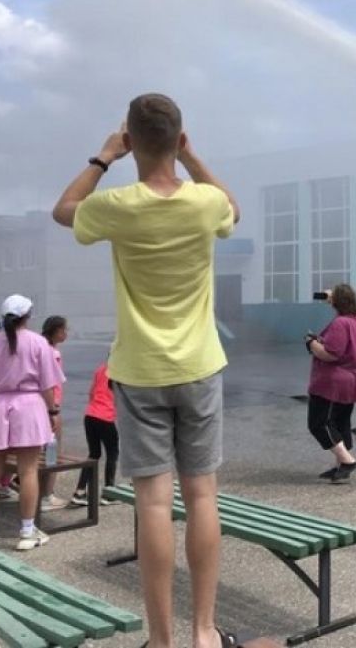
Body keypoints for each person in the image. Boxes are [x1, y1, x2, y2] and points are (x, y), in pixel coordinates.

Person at [52, 94, 240, 648]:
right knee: (202, 496)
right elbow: (234, 208)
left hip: (137, 371)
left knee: (154, 503)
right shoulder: (204, 203)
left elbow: (64, 211)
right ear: (179, 140)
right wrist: (192, 157)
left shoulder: (118, 205)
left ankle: (162, 640)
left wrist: (103, 157)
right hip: (201, 366)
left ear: (130, 139)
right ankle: (204, 632)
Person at [0, 295, 64, 550]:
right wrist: (52, 411)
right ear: (28, 316)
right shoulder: (37, 342)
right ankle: (26, 531)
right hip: (29, 406)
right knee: (28, 471)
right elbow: (47, 384)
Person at [305, 284, 356, 483]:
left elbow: (331, 354)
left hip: (333, 383)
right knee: (340, 423)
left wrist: (311, 343)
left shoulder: (340, 323)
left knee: (319, 424)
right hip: (352, 379)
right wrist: (334, 297)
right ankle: (340, 466)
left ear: (337, 302)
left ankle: (347, 461)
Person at [70, 359, 119, 507]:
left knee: (94, 454)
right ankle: (108, 493)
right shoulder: (120, 373)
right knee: (112, 453)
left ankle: (79, 492)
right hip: (105, 417)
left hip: (90, 415)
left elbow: (91, 393)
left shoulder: (100, 369)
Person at [39, 315, 69, 512]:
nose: (67, 333)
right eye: (65, 329)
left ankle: (41, 492)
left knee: (40, 451)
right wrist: (53, 408)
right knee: (52, 451)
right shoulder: (53, 354)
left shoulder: (41, 349)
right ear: (56, 331)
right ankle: (47, 495)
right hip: (51, 406)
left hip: (38, 406)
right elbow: (50, 383)